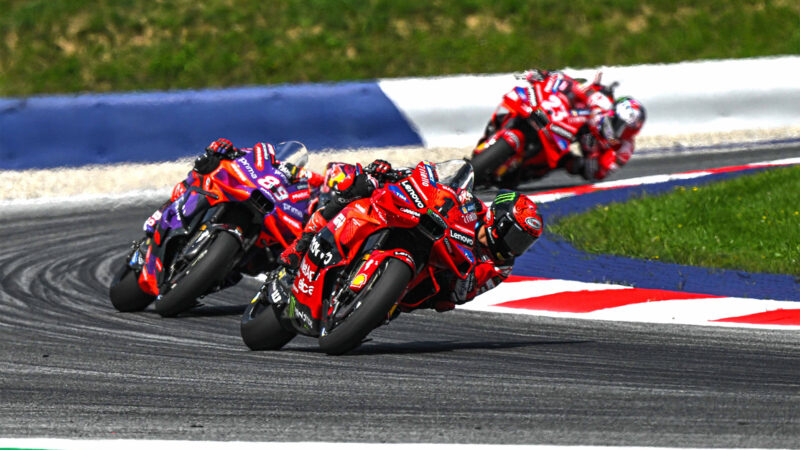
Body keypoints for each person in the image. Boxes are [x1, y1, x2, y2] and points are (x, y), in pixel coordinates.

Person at [278, 160, 544, 312]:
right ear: (498, 219)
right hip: (420, 227)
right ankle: (300, 245)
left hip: (429, 277)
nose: (515, 246)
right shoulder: (472, 207)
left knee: (436, 298)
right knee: (361, 184)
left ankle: (373, 308)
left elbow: (464, 295)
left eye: (523, 242)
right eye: (515, 236)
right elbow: (441, 188)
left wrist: (462, 281)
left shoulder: (500, 268)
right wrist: (397, 174)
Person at [476, 68, 646, 183]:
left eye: (626, 130)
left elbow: (598, 172)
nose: (619, 131)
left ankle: (522, 171)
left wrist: (590, 155)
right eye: (619, 124)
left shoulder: (624, 149)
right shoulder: (602, 104)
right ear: (612, 113)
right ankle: (496, 131)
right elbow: (577, 87)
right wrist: (548, 76)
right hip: (557, 118)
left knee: (563, 163)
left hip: (576, 143)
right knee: (518, 101)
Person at [143, 138, 323, 237]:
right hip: (240, 189)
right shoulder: (264, 154)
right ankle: (161, 214)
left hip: (265, 216)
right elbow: (238, 153)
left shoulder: (302, 183)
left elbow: (319, 182)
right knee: (202, 172)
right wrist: (224, 150)